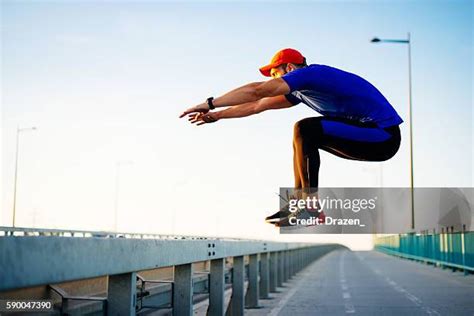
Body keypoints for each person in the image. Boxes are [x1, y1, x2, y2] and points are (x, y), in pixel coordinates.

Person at [179, 48, 403, 227]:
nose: (273, 82)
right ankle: (299, 204)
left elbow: (258, 91)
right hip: (370, 137)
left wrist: (208, 103)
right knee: (304, 135)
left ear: (289, 68)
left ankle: (309, 206)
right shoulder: (300, 93)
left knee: (305, 129)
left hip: (382, 136)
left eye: (275, 75)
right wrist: (216, 116)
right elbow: (257, 105)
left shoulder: (311, 74)